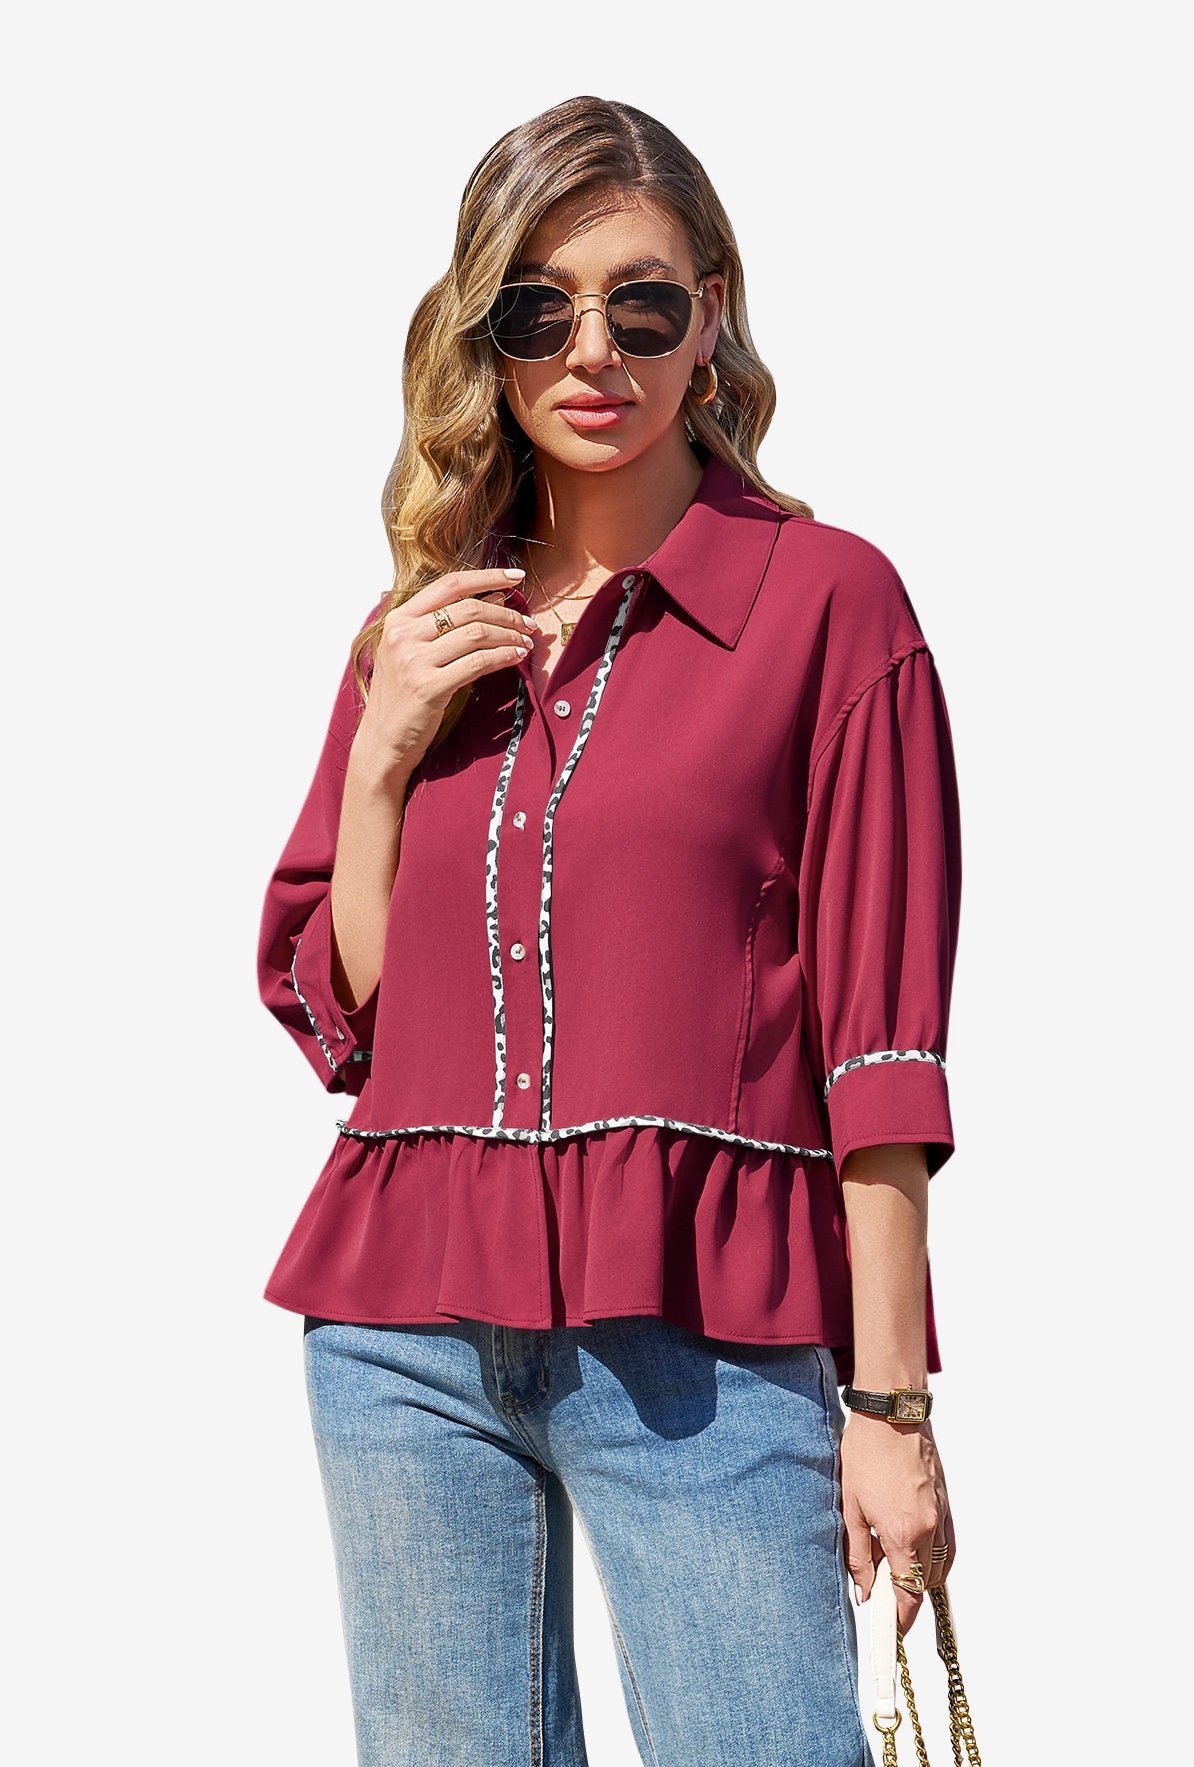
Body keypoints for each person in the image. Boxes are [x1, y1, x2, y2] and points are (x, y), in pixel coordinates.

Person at [258, 94, 962, 1767]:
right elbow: (362, 1019)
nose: (594, 351)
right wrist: (381, 755)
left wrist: (889, 1405)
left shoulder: (829, 604)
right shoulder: (427, 624)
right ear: (485, 336)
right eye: (540, 309)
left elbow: (881, 1054)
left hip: (702, 1339)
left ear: (708, 317)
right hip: (405, 1342)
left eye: (641, 305)